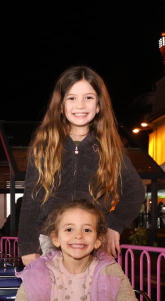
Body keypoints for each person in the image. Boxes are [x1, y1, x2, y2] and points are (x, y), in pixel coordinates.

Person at [17, 66, 145, 266]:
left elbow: (135, 191)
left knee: (102, 287)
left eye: (89, 97)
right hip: (49, 243)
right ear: (61, 105)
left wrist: (113, 225)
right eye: (72, 98)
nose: (80, 105)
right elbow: (31, 200)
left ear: (99, 105)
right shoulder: (44, 147)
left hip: (91, 243)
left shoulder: (110, 149)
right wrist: (26, 246)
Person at [8, 199, 142, 301]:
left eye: (87, 230)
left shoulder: (110, 271)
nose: (78, 236)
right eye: (69, 229)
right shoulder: (39, 271)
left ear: (98, 240)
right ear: (56, 238)